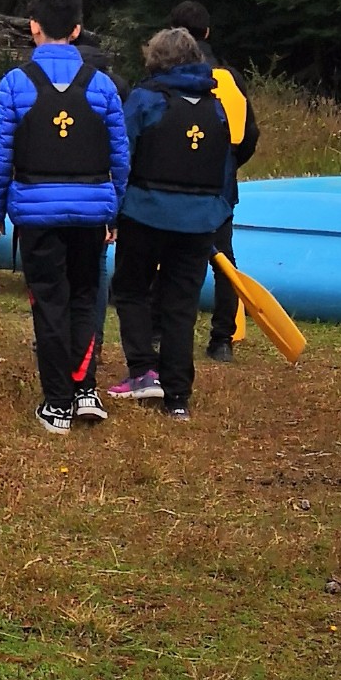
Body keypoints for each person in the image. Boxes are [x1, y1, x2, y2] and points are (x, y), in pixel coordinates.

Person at [0, 0, 130, 434]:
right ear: (78, 31)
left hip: (37, 216)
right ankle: (84, 390)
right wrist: (113, 211)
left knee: (49, 303)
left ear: (33, 27)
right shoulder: (102, 86)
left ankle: (58, 404)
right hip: (90, 214)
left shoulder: (14, 84)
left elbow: (0, 156)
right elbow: (120, 157)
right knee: (85, 299)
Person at [104, 27, 235, 420]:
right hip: (199, 222)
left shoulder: (145, 100)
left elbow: (120, 158)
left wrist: (112, 212)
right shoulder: (216, 106)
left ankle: (143, 371)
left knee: (130, 289)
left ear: (154, 59)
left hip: (144, 214)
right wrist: (217, 216)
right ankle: (178, 397)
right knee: (181, 305)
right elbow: (226, 170)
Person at [168, 0, 260, 361]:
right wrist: (231, 164)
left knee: (166, 256)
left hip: (171, 182)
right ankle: (222, 338)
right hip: (219, 185)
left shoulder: (163, 79)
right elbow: (249, 134)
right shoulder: (229, 77)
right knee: (223, 258)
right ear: (207, 33)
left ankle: (163, 329)